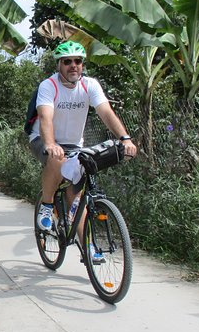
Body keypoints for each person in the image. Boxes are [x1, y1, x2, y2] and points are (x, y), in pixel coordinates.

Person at [29, 41, 137, 260]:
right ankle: (47, 205)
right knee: (56, 159)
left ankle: (88, 248)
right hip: (42, 138)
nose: (73, 66)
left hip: (75, 144)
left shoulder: (90, 85)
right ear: (59, 65)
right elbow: (45, 117)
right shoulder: (49, 86)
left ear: (82, 64)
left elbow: (106, 112)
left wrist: (125, 138)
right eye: (67, 62)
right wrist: (50, 143)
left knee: (76, 196)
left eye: (77, 61)